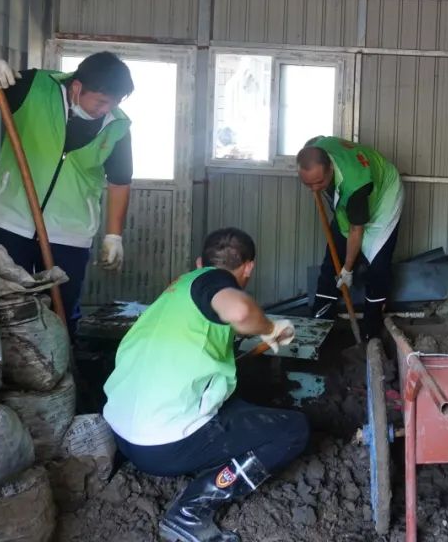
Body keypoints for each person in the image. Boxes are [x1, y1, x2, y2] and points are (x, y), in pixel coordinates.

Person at [103, 227, 307, 542]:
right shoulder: (215, 282)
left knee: (237, 403)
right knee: (292, 430)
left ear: (199, 262)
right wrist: (269, 328)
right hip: (161, 446)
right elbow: (239, 310)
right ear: (249, 267)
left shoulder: (180, 287)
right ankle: (190, 512)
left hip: (121, 435)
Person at [0, 53, 135, 335]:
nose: (106, 109)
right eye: (100, 101)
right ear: (77, 87)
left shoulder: (118, 126)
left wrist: (114, 236)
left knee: (62, 313)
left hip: (70, 233)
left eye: (114, 102)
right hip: (10, 222)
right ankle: (4, 364)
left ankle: (60, 362)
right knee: (3, 307)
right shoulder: (34, 87)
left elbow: (120, 182)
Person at [296, 136, 403, 340]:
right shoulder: (315, 148)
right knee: (333, 258)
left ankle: (371, 333)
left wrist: (347, 269)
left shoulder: (355, 185)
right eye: (308, 184)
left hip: (384, 195)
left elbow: (356, 230)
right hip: (350, 197)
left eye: (319, 182)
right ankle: (319, 325)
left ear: (330, 168)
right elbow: (314, 143)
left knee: (378, 267)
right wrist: (341, 267)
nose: (315, 189)